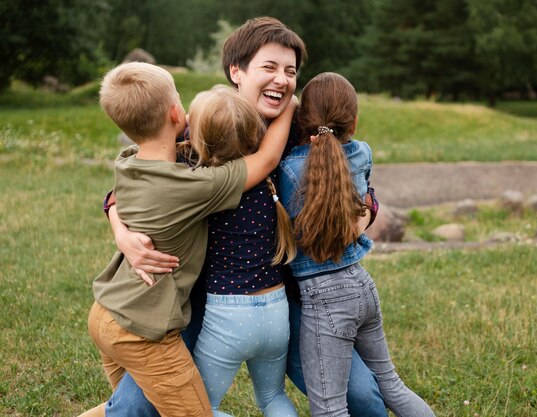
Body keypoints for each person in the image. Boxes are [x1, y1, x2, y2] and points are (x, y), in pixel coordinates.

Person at [101, 17, 389, 417]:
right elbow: (133, 185)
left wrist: (367, 211)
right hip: (200, 297)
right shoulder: (202, 125)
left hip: (287, 298)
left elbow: (359, 183)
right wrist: (120, 230)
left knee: (363, 397)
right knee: (133, 409)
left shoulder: (306, 131)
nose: (282, 80)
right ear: (236, 72)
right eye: (269, 67)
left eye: (290, 71)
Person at [84, 62, 295, 417]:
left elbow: (114, 197)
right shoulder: (195, 187)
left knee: (124, 411)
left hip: (105, 312)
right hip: (144, 331)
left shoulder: (129, 160)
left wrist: (119, 229)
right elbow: (267, 158)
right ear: (173, 113)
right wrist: (289, 102)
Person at [278, 72, 436, 417]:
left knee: (329, 408)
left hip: (324, 297)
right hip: (362, 285)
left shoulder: (288, 170)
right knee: (392, 385)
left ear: (301, 121)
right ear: (354, 121)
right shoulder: (362, 153)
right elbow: (359, 195)